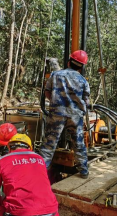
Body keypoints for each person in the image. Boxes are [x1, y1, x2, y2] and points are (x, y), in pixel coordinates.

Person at [39, 50, 91, 179]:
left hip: (57, 113)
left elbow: (47, 92)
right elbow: (86, 100)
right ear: (81, 66)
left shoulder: (55, 75)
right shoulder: (83, 81)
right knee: (78, 143)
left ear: (69, 61)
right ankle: (83, 170)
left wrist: (55, 102)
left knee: (49, 143)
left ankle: (40, 172)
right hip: (75, 115)